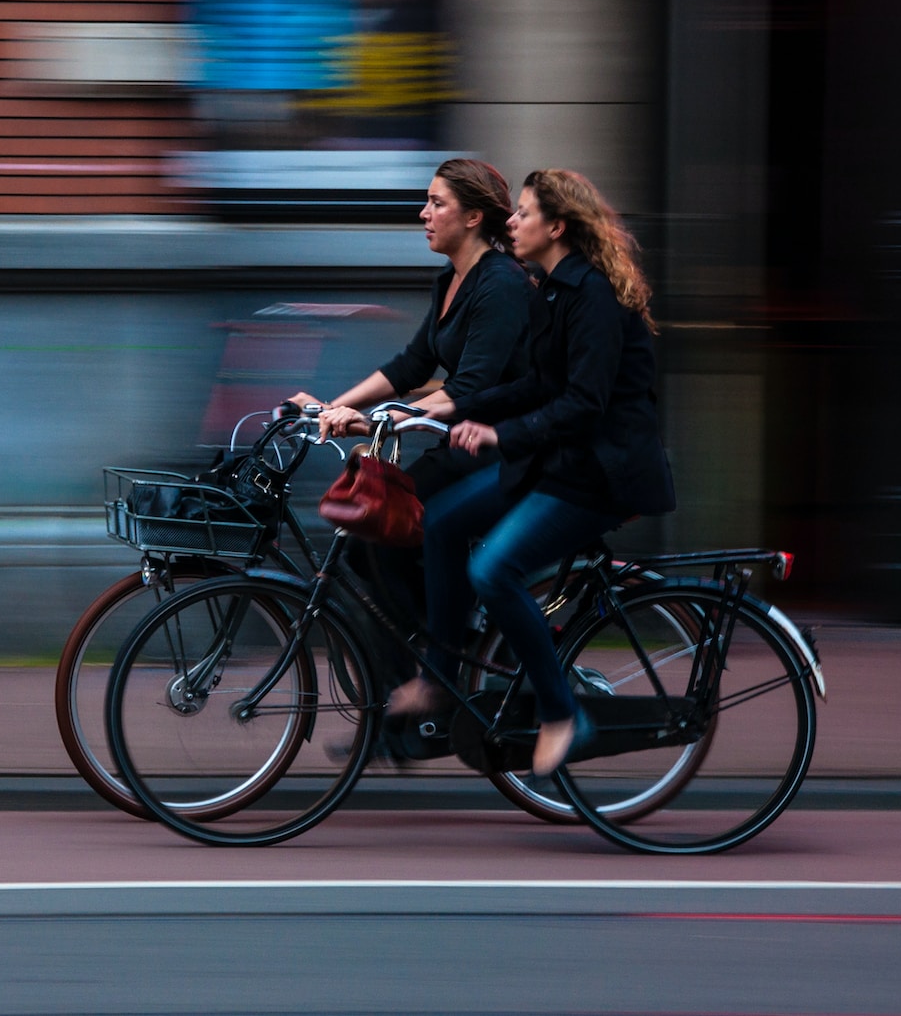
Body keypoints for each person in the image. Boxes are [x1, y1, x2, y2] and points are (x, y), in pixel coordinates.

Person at [395, 168, 676, 778]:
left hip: (600, 475)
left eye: (523, 214)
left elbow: (583, 403)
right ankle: (441, 677)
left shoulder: (593, 295)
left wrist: (500, 433)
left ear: (557, 226)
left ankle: (562, 713)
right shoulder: (550, 288)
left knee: (493, 569)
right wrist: (459, 407)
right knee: (439, 522)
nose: (512, 223)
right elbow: (537, 383)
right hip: (557, 462)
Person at [288, 157, 534, 617]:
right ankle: (444, 648)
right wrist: (328, 408)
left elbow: (469, 387)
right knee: (375, 544)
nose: (423, 213)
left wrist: (387, 418)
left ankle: (438, 664)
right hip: (456, 448)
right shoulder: (451, 280)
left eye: (437, 203)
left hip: (496, 453)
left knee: (383, 538)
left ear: (473, 216)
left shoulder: (501, 285)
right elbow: (412, 364)